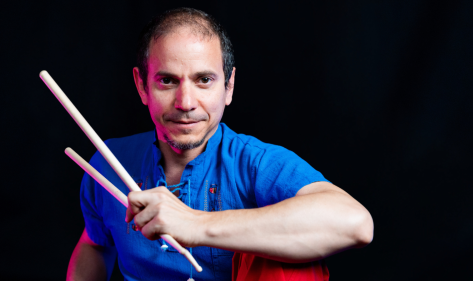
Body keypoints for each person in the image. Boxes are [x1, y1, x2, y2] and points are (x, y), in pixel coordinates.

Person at [66, 7, 374, 281]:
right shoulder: (109, 161)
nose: (186, 103)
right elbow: (95, 244)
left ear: (229, 86)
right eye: (167, 81)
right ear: (142, 85)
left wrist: (196, 225)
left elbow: (355, 223)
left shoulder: (255, 163)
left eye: (204, 80)